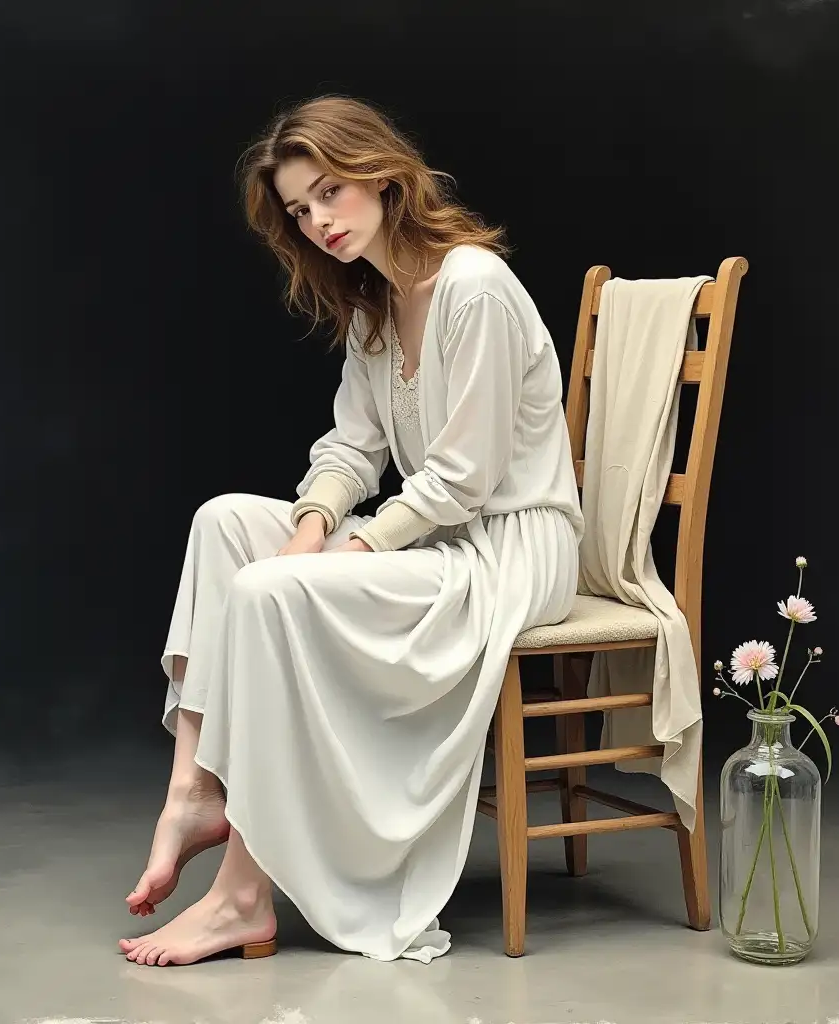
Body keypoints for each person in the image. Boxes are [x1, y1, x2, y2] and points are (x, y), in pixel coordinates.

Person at [119, 94, 584, 968]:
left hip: (513, 546)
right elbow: (352, 446)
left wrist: (354, 547)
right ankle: (195, 786)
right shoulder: (377, 302)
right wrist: (315, 522)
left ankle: (242, 896)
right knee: (225, 523)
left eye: (331, 191)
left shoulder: (473, 288)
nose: (319, 220)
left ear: (383, 174)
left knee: (271, 588)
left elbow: (465, 477)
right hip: (443, 532)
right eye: (300, 209)